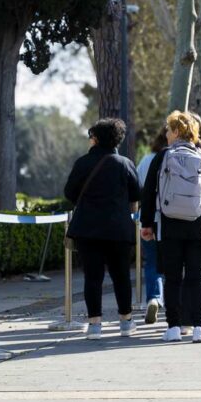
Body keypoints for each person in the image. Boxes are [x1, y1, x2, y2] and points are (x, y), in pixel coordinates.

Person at [140, 111, 201, 343]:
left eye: (169, 129)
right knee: (197, 277)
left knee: (173, 277)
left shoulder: (162, 156)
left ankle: (174, 327)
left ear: (177, 131)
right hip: (200, 226)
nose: (166, 134)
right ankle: (200, 327)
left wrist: (146, 223)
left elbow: (148, 192)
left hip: (169, 225)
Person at [64, 118, 141, 339]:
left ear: (96, 138)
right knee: (121, 276)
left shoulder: (83, 163)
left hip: (88, 229)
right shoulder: (125, 163)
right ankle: (125, 321)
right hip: (118, 229)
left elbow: (69, 193)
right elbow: (137, 194)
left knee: (92, 277)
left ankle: (95, 324)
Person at [136, 127, 168, 325]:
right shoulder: (180, 157)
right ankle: (177, 305)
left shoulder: (147, 160)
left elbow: (138, 189)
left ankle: (154, 297)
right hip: (174, 218)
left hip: (148, 217)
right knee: (176, 262)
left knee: (152, 262)